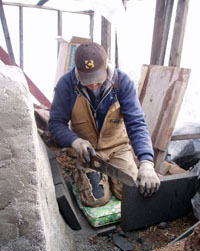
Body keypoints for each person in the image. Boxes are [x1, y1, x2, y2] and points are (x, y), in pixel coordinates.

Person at [48, 42, 160, 207]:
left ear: (106, 66)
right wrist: (74, 141)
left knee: (131, 193)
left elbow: (136, 123)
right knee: (97, 199)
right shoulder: (66, 85)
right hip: (88, 153)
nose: (93, 85)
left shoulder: (122, 82)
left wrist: (146, 162)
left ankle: (114, 175)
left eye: (97, 80)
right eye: (87, 80)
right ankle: (81, 173)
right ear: (77, 70)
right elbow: (55, 124)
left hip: (117, 148)